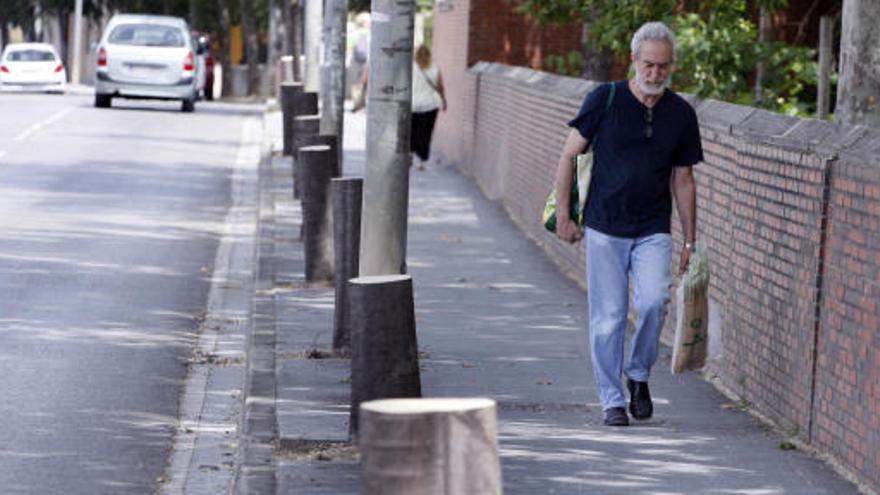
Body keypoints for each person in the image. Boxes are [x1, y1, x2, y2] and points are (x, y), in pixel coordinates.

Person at [554, 22, 702, 427]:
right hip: (604, 226)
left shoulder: (681, 114)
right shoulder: (606, 98)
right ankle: (611, 400)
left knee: (655, 301)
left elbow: (684, 178)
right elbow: (569, 155)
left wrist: (690, 241)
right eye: (648, 65)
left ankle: (638, 374)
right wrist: (565, 216)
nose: (655, 74)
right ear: (634, 60)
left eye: (663, 67)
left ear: (672, 66)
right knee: (609, 316)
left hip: (653, 227)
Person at [410, 44, 446, 171]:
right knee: (426, 133)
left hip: (413, 105)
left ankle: (410, 154)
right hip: (431, 105)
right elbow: (440, 86)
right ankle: (422, 161)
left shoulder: (411, 68)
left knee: (412, 131)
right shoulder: (435, 68)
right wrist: (444, 100)